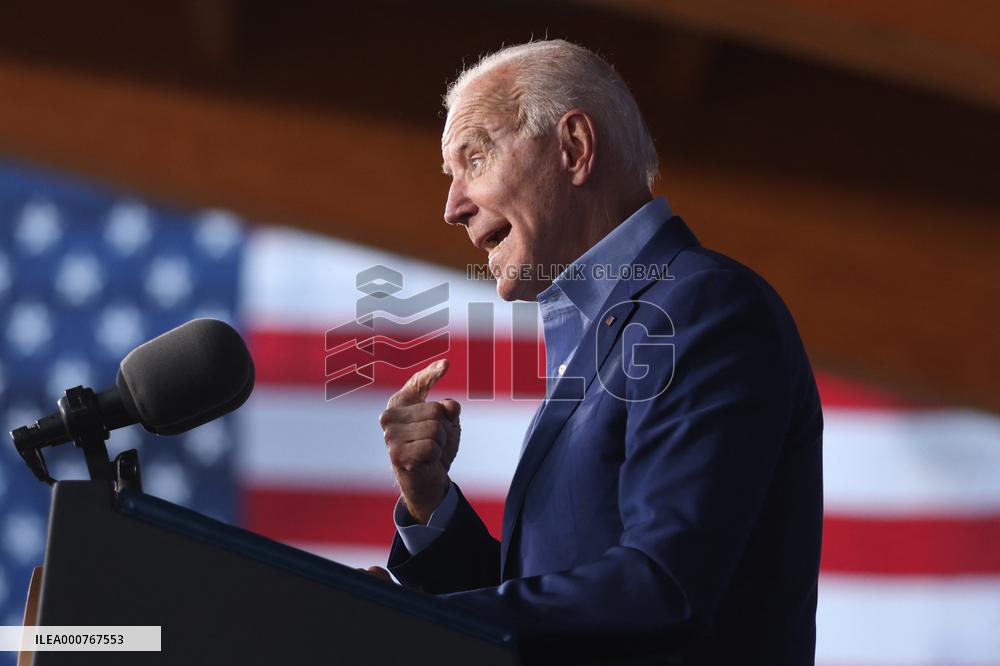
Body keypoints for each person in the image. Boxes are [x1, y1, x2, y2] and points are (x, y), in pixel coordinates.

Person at [372, 40, 823, 665]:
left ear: (574, 148)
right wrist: (431, 505)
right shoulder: (609, 331)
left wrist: (399, 621)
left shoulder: (703, 307)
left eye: (473, 159)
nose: (452, 207)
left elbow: (663, 589)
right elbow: (544, 608)